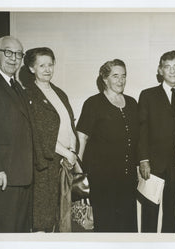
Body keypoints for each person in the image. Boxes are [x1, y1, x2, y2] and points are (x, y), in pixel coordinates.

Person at [76, 59, 139, 232]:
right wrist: (79, 173)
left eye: (123, 76)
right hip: (101, 178)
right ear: (105, 79)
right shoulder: (93, 103)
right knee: (106, 225)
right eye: (115, 76)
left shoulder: (132, 103)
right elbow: (81, 138)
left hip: (127, 178)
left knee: (127, 227)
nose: (120, 80)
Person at [22, 47, 80, 232]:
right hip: (46, 165)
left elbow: (69, 126)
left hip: (64, 163)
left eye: (50, 64)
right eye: (41, 65)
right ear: (32, 68)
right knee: (44, 217)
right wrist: (65, 153)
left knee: (62, 216)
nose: (47, 69)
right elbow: (39, 133)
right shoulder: (29, 95)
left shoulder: (59, 93)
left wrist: (73, 153)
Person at [138, 50, 175, 233]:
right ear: (160, 70)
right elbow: (142, 129)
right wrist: (143, 159)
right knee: (149, 214)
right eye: (167, 67)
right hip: (153, 166)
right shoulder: (147, 95)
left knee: (171, 216)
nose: (172, 71)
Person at [0, 36, 33, 232]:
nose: (14, 58)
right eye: (8, 52)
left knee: (19, 232)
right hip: (3, 174)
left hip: (22, 174)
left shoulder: (16, 86)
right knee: (3, 233)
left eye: (18, 54)